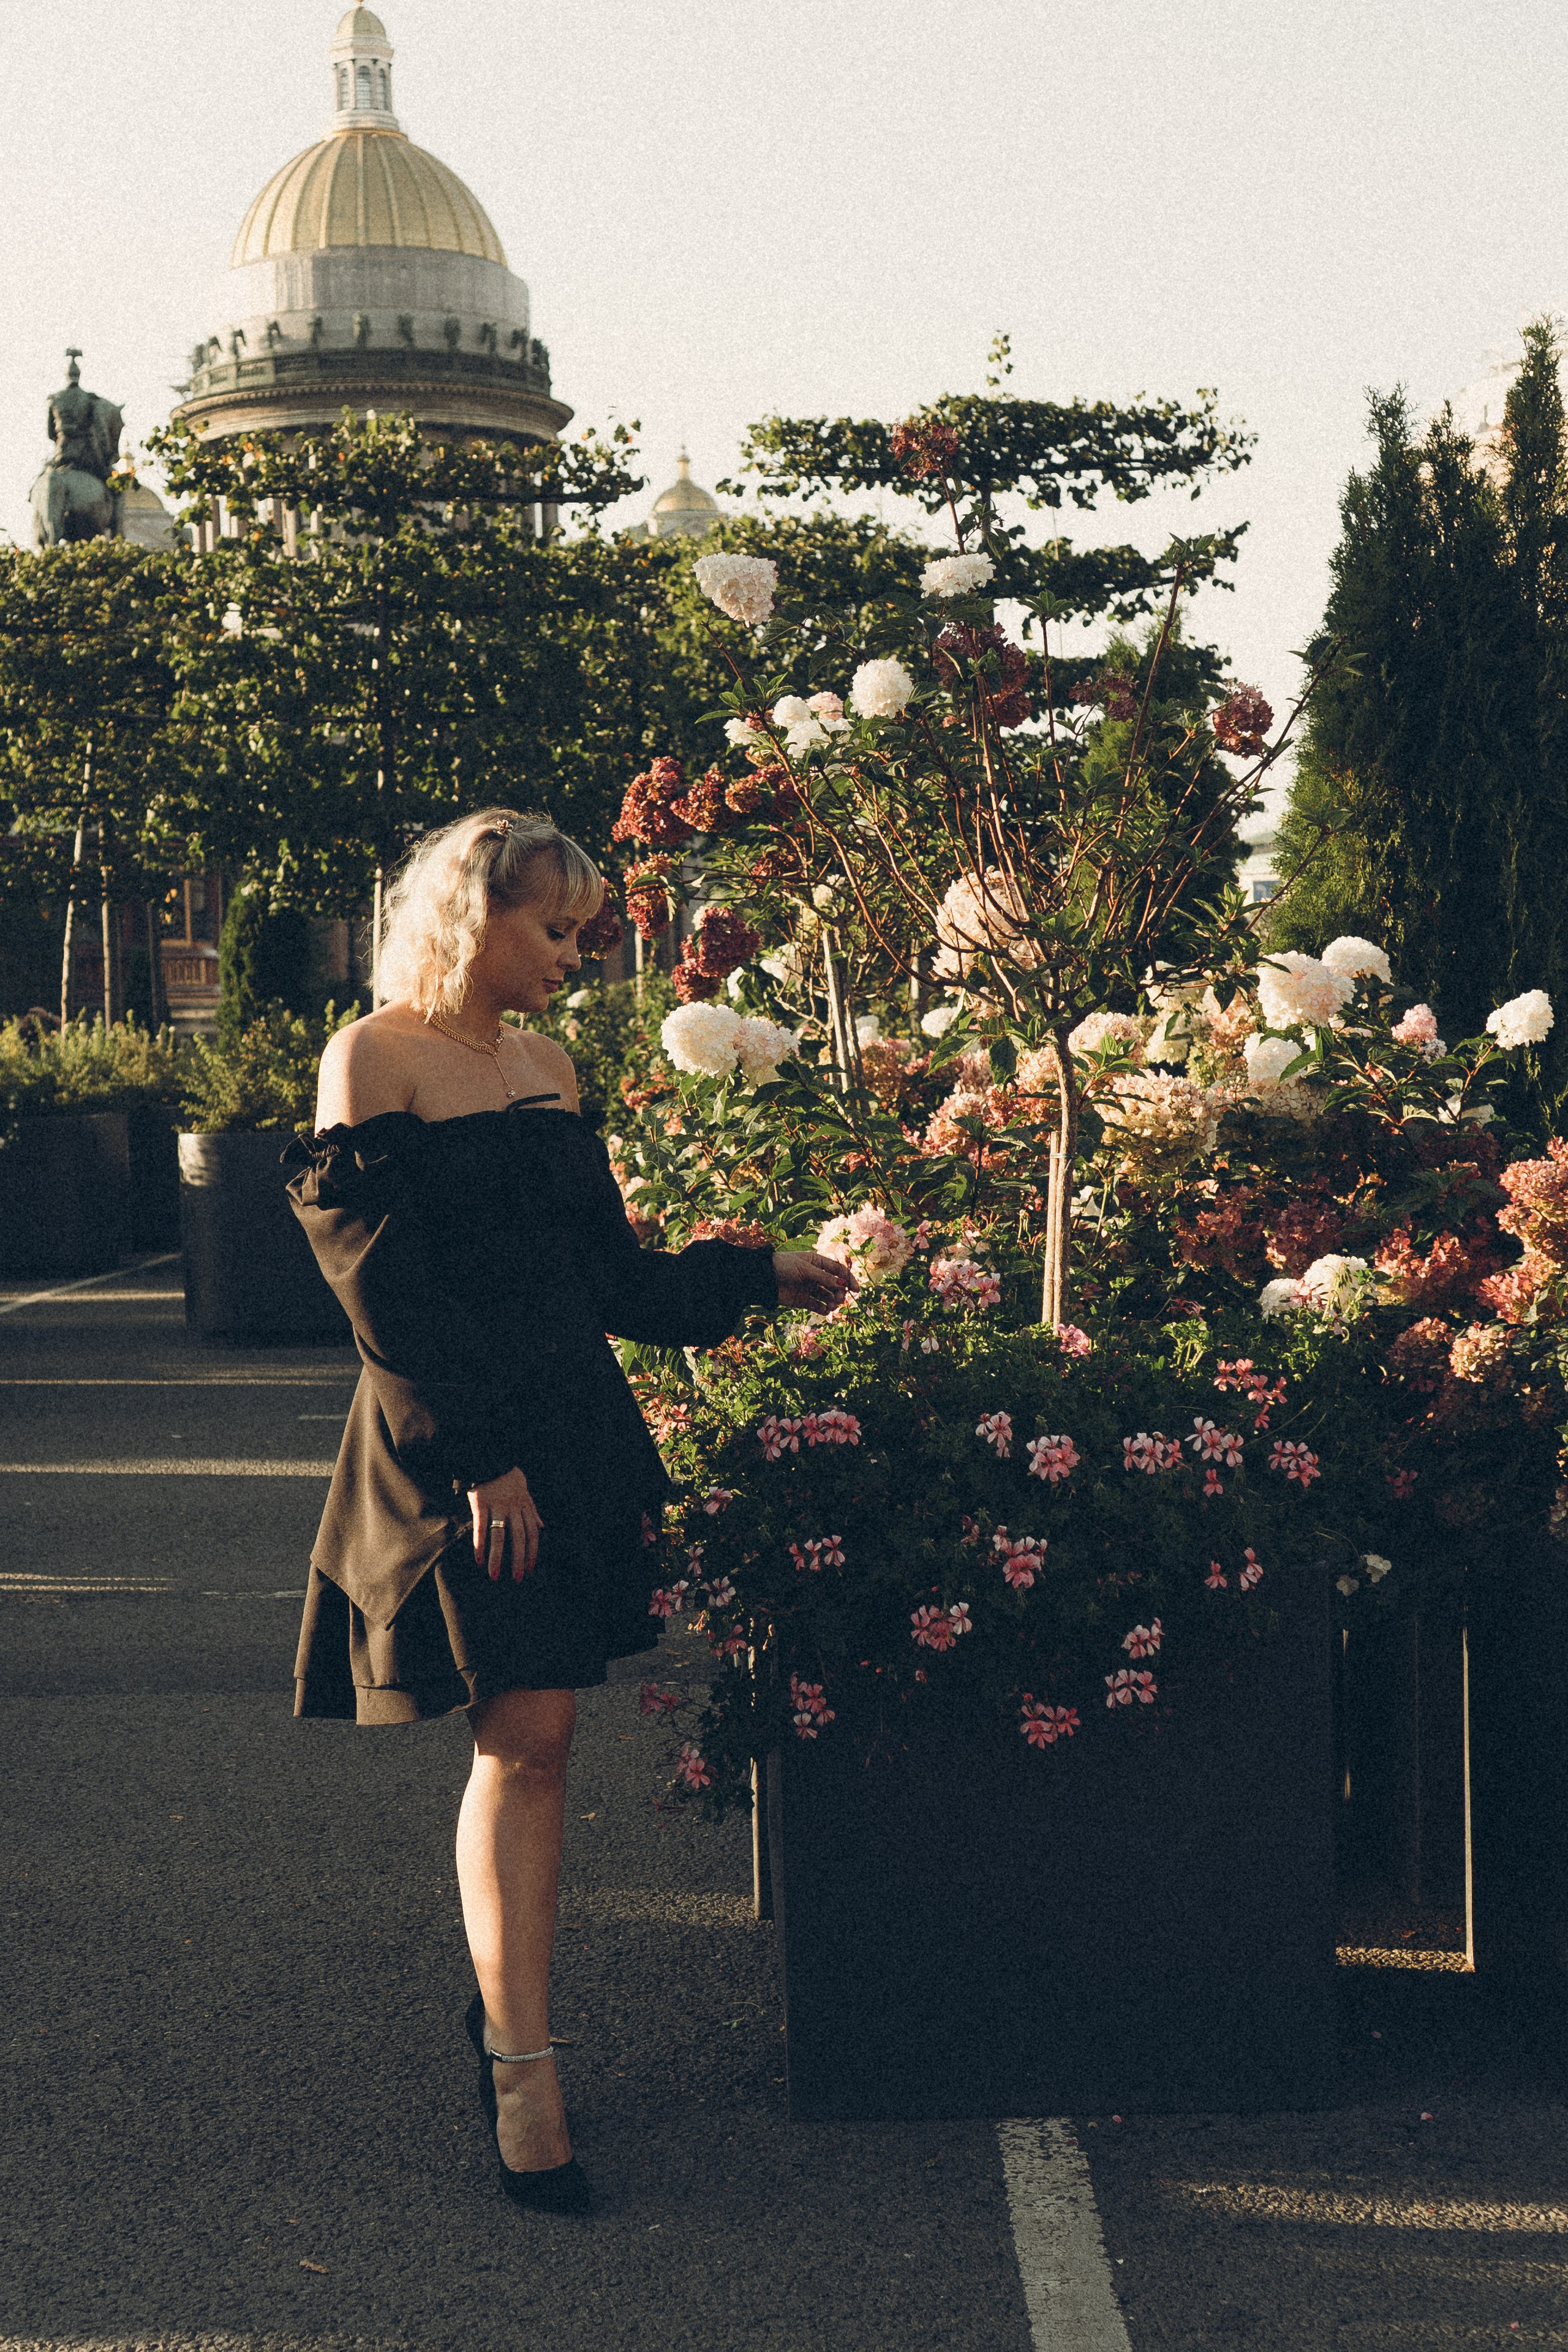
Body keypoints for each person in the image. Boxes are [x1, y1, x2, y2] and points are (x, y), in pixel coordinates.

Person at [283, 810, 851, 2216]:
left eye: (582, 934)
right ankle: (524, 2069)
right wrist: (480, 1461)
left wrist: (759, 1272)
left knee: (544, 1735)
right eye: (554, 929)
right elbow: (381, 1293)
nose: (572, 959)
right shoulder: (373, 1057)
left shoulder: (548, 1067)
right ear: (469, 916)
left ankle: (503, 2022)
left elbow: (607, 1282)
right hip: (452, 1446)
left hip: (571, 1436)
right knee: (525, 1737)